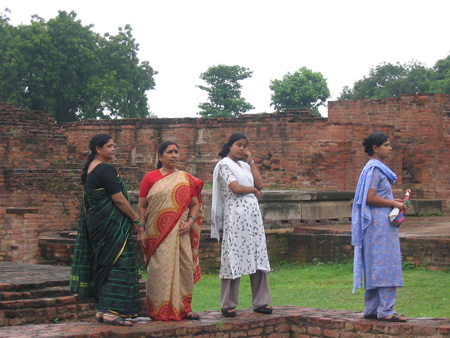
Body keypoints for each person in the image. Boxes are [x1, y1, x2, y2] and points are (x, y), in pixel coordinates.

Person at [70, 134, 142, 326]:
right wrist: (136, 219)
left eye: (114, 145)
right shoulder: (104, 168)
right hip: (110, 225)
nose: (113, 149)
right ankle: (111, 311)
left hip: (98, 224)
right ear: (97, 149)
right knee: (119, 264)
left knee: (106, 264)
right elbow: (118, 199)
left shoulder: (91, 169)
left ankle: (103, 310)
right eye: (109, 146)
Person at [138, 141, 203, 321]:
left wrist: (190, 223)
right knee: (159, 270)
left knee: (184, 267)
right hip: (157, 234)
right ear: (160, 156)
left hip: (182, 232)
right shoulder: (150, 178)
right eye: (169, 152)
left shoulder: (185, 178)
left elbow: (195, 204)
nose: (174, 155)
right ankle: (158, 311)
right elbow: (142, 206)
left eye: (176, 151)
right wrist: (141, 229)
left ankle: (184, 309)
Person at [211, 132, 272, 318]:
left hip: (253, 219)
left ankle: (261, 302)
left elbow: (260, 184)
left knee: (258, 255)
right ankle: (228, 304)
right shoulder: (223, 165)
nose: (242, 148)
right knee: (233, 255)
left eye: (244, 145)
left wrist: (251, 162)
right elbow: (235, 188)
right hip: (235, 217)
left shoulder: (245, 165)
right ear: (229, 145)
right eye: (238, 144)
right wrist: (253, 190)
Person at [351, 132, 407, 322]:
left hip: (377, 223)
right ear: (376, 148)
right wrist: (394, 204)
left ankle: (372, 308)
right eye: (386, 145)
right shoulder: (375, 169)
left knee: (375, 264)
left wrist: (394, 202)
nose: (390, 148)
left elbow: (376, 196)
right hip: (379, 225)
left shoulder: (374, 168)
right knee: (385, 264)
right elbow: (370, 198)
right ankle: (386, 310)